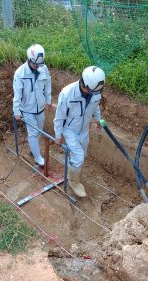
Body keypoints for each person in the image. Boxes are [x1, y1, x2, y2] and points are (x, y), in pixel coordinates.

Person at [53, 66, 105, 197]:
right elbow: (59, 117)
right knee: (78, 157)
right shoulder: (67, 94)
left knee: (82, 154)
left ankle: (73, 167)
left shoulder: (94, 91)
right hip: (70, 130)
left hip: (84, 129)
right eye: (92, 92)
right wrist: (58, 136)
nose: (94, 95)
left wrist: (98, 119)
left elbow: (96, 105)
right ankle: (73, 182)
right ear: (83, 84)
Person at [13, 44, 53, 166]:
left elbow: (47, 84)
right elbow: (17, 94)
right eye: (34, 64)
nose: (36, 67)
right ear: (28, 58)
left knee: (39, 132)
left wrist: (49, 100)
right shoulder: (20, 73)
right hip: (28, 110)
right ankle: (37, 158)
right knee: (33, 133)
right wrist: (17, 112)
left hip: (40, 108)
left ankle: (33, 149)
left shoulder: (43, 68)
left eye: (39, 65)